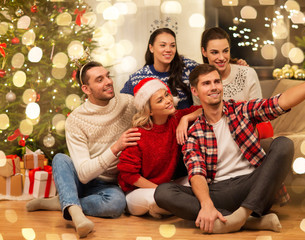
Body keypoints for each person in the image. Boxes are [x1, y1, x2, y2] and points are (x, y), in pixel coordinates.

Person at [154, 62, 305, 234]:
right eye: (206, 83)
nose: (214, 87)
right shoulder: (194, 132)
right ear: (195, 91)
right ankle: (250, 222)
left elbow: (279, 102)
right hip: (218, 192)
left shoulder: (241, 110)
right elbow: (196, 172)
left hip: (253, 186)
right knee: (163, 192)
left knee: (284, 144)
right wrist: (207, 204)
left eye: (216, 82)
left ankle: (241, 216)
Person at [25, 61, 141, 238]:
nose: (109, 82)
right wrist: (116, 147)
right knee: (61, 159)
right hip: (82, 178)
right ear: (86, 89)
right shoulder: (77, 119)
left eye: (108, 76)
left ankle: (66, 202)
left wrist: (190, 116)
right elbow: (84, 174)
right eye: (100, 80)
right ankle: (77, 216)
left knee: (117, 205)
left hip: (108, 184)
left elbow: (157, 107)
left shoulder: (128, 103)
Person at [117, 77, 201, 218]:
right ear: (149, 111)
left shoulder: (175, 119)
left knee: (200, 181)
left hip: (167, 186)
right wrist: (162, 190)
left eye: (166, 95)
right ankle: (170, 206)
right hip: (138, 192)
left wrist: (185, 119)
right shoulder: (138, 134)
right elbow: (129, 175)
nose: (168, 100)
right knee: (156, 198)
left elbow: (204, 109)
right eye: (160, 100)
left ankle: (170, 207)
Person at [199, 27, 273, 139]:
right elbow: (201, 117)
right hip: (216, 139)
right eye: (214, 52)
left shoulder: (247, 73)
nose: (221, 57)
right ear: (204, 52)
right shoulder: (199, 80)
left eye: (225, 51)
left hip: (249, 135)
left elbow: (258, 113)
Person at [120, 28, 199, 109]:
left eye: (172, 45)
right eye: (163, 45)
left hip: (189, 120)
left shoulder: (188, 67)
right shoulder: (138, 78)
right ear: (151, 48)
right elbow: (122, 105)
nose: (168, 50)